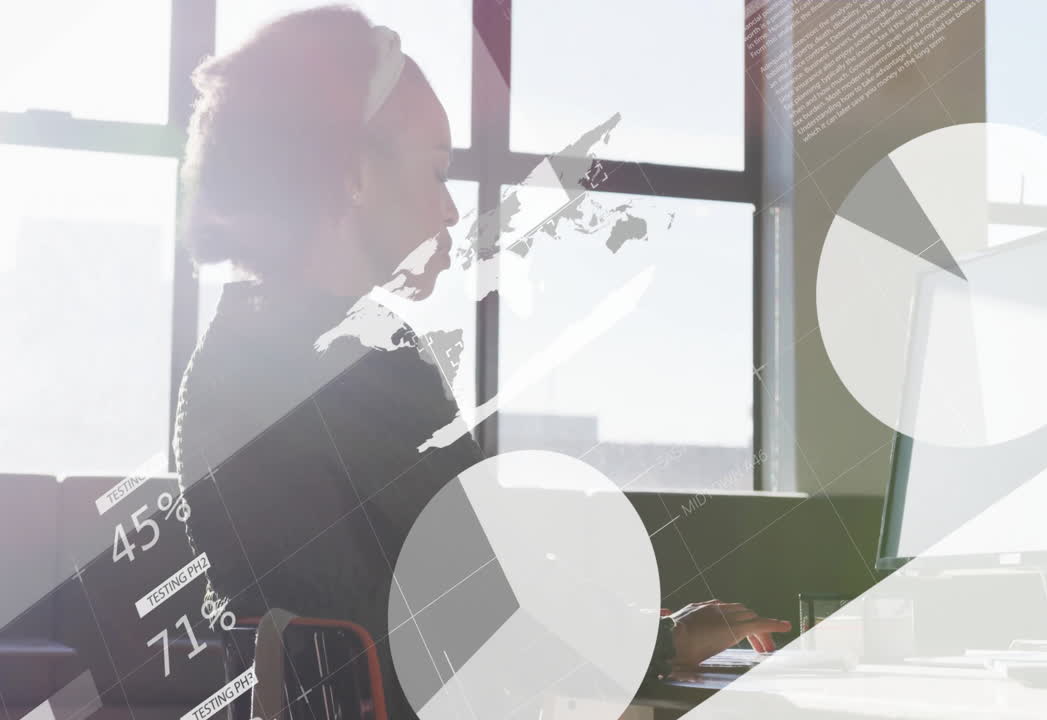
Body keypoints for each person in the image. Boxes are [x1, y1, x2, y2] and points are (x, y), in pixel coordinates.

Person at [172, 6, 788, 716]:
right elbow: (488, 608)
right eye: (437, 172)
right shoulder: (357, 359)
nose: (451, 210)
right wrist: (663, 641)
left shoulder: (231, 356)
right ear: (351, 171)